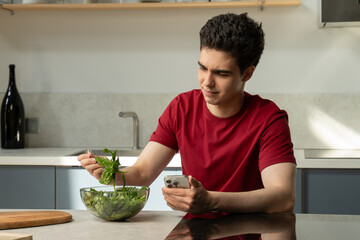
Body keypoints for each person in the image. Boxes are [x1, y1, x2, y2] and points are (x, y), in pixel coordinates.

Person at [78, 13, 296, 214]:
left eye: (221, 73)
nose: (207, 82)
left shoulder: (269, 119)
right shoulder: (181, 108)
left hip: (252, 233)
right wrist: (111, 174)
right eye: (202, 68)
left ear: (247, 74)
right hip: (195, 232)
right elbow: (142, 172)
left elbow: (283, 197)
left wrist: (210, 201)